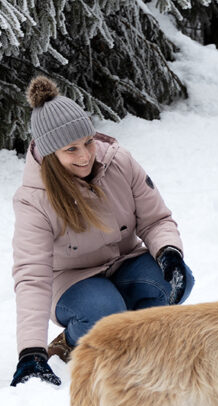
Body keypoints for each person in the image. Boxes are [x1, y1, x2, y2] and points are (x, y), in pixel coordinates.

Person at [11, 76, 195, 387]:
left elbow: (156, 220)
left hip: (124, 263)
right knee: (102, 311)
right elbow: (33, 275)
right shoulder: (34, 199)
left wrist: (169, 254)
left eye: (87, 142)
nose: (84, 156)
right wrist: (31, 351)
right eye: (71, 149)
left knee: (176, 280)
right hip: (73, 281)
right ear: (51, 154)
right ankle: (72, 340)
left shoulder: (118, 162)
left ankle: (141, 342)